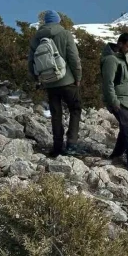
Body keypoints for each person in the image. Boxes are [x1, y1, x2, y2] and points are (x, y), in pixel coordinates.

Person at [28, 10, 82, 158]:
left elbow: (31, 61)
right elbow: (74, 58)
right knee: (75, 109)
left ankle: (57, 146)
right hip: (67, 80)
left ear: (45, 22)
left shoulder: (37, 38)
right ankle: (71, 144)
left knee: (56, 114)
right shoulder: (65, 34)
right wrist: (78, 77)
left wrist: (37, 79)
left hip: (49, 82)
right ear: (58, 21)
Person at [101, 32, 128, 170]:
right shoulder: (111, 60)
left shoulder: (121, 58)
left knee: (126, 128)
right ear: (120, 43)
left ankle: (117, 154)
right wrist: (113, 101)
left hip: (126, 100)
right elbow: (107, 83)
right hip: (119, 100)